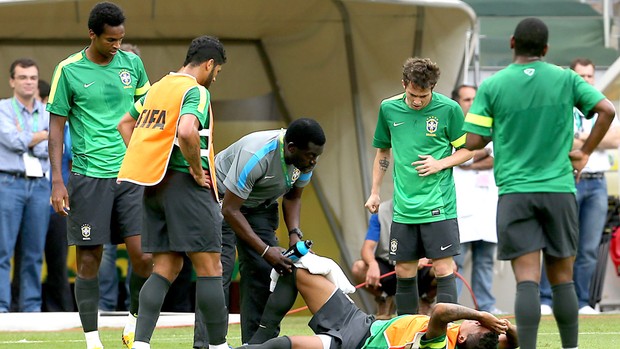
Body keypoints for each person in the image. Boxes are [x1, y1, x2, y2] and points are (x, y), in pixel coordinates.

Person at [463, 17, 616, 349]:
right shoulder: (565, 78)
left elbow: (473, 140)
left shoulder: (493, 85)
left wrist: (499, 128)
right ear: (546, 49)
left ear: (512, 43)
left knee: (527, 282)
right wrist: (586, 152)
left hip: (516, 193)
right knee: (563, 280)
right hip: (559, 190)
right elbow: (606, 110)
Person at [47, 2, 152, 349]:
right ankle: (92, 339)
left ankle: (134, 321)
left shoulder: (132, 64)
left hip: (132, 175)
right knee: (89, 259)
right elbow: (56, 129)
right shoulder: (69, 70)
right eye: (110, 40)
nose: (117, 46)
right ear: (92, 34)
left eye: (121, 39)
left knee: (144, 255)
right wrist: (58, 180)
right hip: (88, 176)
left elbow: (147, 115)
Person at [116, 35, 229, 349]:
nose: (215, 76)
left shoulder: (159, 87)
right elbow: (187, 130)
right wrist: (195, 169)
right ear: (209, 64)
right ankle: (219, 345)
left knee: (166, 267)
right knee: (210, 266)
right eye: (217, 70)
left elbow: (125, 123)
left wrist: (147, 159)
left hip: (155, 185)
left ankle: (140, 344)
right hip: (186, 185)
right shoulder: (196, 91)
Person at [192, 118, 326, 348]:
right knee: (216, 273)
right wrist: (265, 249)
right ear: (291, 148)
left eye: (317, 156)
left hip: (260, 206)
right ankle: (206, 344)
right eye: (310, 155)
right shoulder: (257, 155)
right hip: (222, 201)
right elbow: (231, 210)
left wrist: (295, 235)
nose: (314, 161)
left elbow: (293, 197)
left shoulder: (305, 160)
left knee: (265, 271)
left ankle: (257, 344)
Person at [365, 57, 473, 316]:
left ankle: (448, 334)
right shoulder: (388, 109)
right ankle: (408, 335)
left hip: (439, 205)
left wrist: (440, 163)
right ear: (404, 84)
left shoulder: (449, 109)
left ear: (432, 88)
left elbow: (468, 150)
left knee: (444, 268)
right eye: (413, 94)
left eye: (423, 96)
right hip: (404, 207)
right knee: (403, 270)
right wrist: (375, 191)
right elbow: (383, 152)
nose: (417, 101)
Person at [235, 264, 519, 349]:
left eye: (476, 325)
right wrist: (503, 326)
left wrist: (482, 314)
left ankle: (250, 348)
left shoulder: (440, 345)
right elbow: (516, 339)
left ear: (464, 335)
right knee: (298, 271)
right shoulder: (483, 344)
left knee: (285, 345)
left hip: (353, 343)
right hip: (363, 323)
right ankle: (260, 335)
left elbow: (441, 310)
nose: (477, 322)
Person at [539, 57, 620, 316]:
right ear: (572, 78)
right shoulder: (562, 105)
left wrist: (581, 138)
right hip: (568, 180)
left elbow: (615, 139)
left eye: (589, 76)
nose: (586, 81)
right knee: (559, 242)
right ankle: (546, 298)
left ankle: (583, 300)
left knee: (588, 246)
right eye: (581, 76)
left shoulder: (601, 104)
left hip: (597, 183)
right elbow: (560, 142)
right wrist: (597, 137)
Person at [0, 58, 50, 313]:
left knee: (33, 253)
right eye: (22, 77)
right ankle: (1, 308)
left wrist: (34, 139)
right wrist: (40, 136)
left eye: (32, 77)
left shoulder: (47, 111)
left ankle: (31, 309)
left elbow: (52, 147)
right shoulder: (2, 109)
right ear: (12, 81)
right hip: (9, 183)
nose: (28, 82)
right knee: (3, 250)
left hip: (40, 185)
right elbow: (11, 140)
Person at [451, 84, 503, 314]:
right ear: (457, 102)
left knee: (485, 261)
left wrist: (474, 156)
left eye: (475, 99)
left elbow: (499, 156)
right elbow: (459, 160)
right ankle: (451, 307)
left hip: (487, 206)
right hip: (461, 206)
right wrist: (484, 151)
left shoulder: (492, 123)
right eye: (466, 99)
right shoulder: (453, 125)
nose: (471, 103)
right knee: (456, 262)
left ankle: (486, 307)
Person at [351, 199, 437, 318]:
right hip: (390, 269)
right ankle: (384, 298)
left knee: (449, 268)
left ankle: (425, 301)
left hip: (419, 269)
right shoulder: (381, 212)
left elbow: (439, 245)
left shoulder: (429, 209)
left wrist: (427, 257)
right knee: (358, 268)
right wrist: (372, 264)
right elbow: (367, 248)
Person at [40, 79, 75, 312]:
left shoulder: (68, 128)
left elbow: (72, 158)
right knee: (31, 256)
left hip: (57, 196)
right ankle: (26, 306)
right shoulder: (44, 124)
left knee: (57, 258)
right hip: (35, 191)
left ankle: (60, 310)